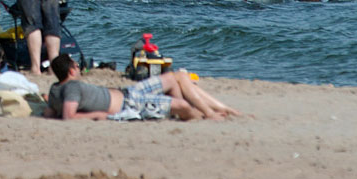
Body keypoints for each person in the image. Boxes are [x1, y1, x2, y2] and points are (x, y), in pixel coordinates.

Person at [43, 54, 240, 121]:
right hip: (131, 105)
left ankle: (220, 109)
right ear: (70, 71)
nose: (79, 68)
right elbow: (68, 116)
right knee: (183, 105)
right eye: (76, 66)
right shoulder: (72, 88)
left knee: (177, 76)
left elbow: (51, 112)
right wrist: (95, 116)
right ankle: (202, 114)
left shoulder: (55, 89)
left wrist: (48, 106)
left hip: (128, 92)